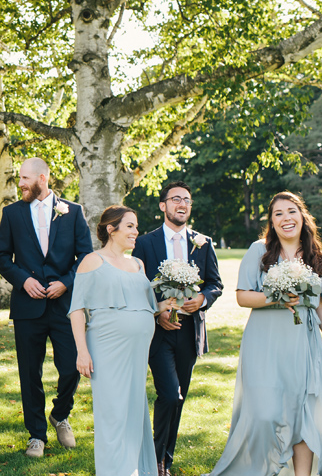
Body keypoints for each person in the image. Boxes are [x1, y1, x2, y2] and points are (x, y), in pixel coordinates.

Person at [207, 191, 322, 476]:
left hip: (304, 345)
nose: (285, 218)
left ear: (302, 216)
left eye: (291, 211)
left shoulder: (315, 253)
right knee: (266, 414)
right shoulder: (259, 250)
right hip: (265, 342)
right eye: (278, 214)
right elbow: (243, 296)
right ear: (271, 221)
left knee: (304, 412)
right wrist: (278, 297)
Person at [0, 157, 93, 458]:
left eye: (24, 178)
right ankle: (36, 435)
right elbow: (2, 257)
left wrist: (66, 282)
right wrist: (23, 281)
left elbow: (86, 257)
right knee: (29, 373)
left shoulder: (72, 212)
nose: (20, 184)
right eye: (19, 179)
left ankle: (60, 414)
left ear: (42, 178)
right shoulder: (11, 213)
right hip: (28, 307)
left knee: (71, 367)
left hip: (65, 306)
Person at [132, 181, 222, 476]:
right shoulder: (144, 243)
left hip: (190, 331)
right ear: (163, 205)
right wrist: (157, 314)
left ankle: (164, 462)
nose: (182, 204)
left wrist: (203, 299)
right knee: (169, 394)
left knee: (179, 396)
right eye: (175, 199)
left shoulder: (203, 242)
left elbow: (215, 284)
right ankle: (156, 460)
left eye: (187, 199)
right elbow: (138, 287)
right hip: (158, 333)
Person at [70, 205, 162, 476]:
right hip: (107, 348)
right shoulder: (92, 261)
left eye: (136, 226)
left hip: (137, 352)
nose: (136, 232)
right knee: (113, 413)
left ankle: (136, 468)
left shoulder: (138, 264)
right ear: (111, 229)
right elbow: (77, 310)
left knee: (134, 410)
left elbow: (149, 305)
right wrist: (82, 352)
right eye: (130, 226)